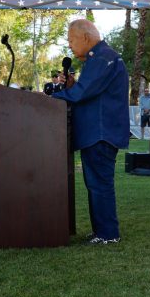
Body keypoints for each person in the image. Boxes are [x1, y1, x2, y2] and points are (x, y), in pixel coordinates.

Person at [53, 19, 130, 245]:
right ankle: (101, 230)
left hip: (100, 132)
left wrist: (51, 98)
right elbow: (87, 92)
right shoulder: (99, 58)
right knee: (95, 182)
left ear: (85, 37)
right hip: (97, 132)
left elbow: (82, 93)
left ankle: (107, 233)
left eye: (71, 40)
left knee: (99, 183)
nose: (70, 46)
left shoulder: (103, 57)